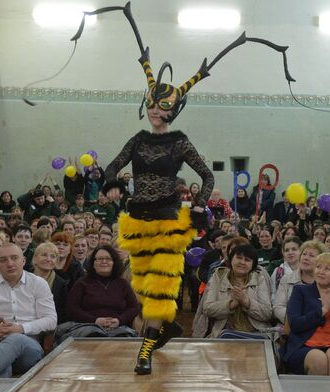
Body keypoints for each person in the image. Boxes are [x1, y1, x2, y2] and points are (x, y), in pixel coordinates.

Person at [102, 68, 214, 374]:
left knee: (158, 292)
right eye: (151, 102)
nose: (154, 109)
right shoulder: (138, 140)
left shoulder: (179, 142)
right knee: (139, 289)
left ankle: (145, 351)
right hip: (138, 223)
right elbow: (113, 164)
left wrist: (200, 205)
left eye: (162, 104)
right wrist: (112, 182)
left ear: (174, 109)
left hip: (167, 223)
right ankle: (165, 328)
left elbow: (207, 175)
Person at [0, 243, 57, 377]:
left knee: (16, 339)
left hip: (28, 346)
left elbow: (51, 320)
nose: (10, 263)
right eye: (3, 260)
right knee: (4, 368)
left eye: (14, 258)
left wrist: (21, 329)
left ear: (23, 261)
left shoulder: (38, 284)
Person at [283, 252, 330, 392]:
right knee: (319, 359)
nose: (321, 271)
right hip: (303, 347)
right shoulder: (301, 291)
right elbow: (296, 324)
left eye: (328, 269)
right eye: (318, 267)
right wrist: (322, 311)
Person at [202, 244, 272, 338]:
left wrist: (247, 302)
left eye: (247, 260)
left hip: (255, 333)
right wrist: (231, 305)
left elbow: (267, 313)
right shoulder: (218, 276)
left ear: (252, 265)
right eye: (239, 258)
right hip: (223, 333)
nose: (242, 262)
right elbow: (207, 309)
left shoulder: (259, 278)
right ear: (231, 259)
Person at [67, 245, 140, 329]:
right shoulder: (82, 283)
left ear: (114, 262)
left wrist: (119, 320)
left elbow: (134, 307)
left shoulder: (123, 283)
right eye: (100, 259)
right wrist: (94, 320)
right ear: (93, 263)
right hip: (87, 328)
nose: (104, 261)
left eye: (108, 259)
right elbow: (72, 309)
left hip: (119, 330)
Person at [273, 240, 326, 324]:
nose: (305, 258)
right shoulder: (286, 279)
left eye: (311, 255)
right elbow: (278, 308)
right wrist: (298, 320)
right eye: (304, 254)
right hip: (292, 327)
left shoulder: (329, 281)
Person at [32, 242, 68, 324]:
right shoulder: (24, 277)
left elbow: (62, 313)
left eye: (53, 256)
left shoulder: (61, 284)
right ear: (35, 258)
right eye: (44, 255)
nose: (48, 259)